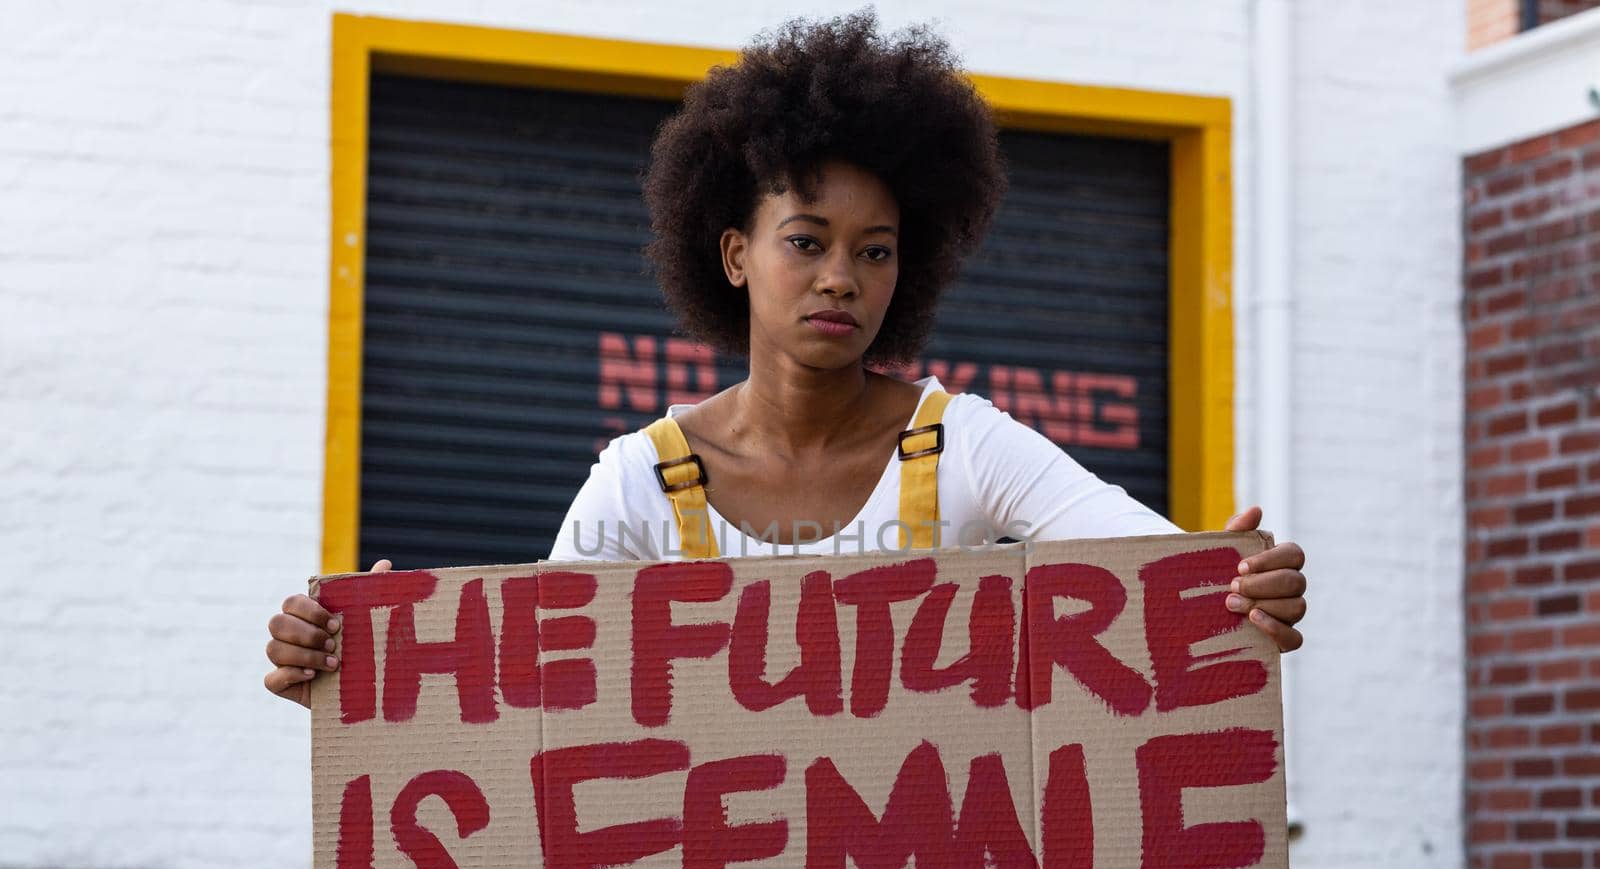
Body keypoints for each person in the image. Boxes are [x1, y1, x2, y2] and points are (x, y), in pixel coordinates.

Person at [263, 10, 1306, 707]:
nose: (840, 277)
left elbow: (1162, 568)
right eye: (805, 241)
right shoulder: (641, 477)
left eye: (876, 250)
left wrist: (1239, 580)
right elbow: (534, 690)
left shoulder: (967, 446)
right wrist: (368, 657)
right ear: (733, 254)